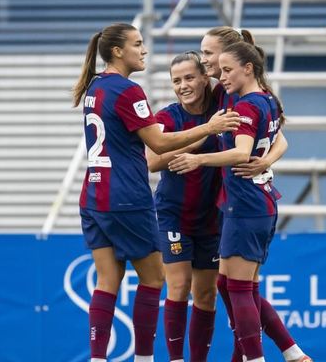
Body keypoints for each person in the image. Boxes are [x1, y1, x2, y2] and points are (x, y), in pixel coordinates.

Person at [72, 22, 241, 362]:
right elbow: (158, 144)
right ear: (118, 51)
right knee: (156, 278)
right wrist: (209, 128)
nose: (144, 49)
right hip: (127, 198)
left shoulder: (95, 86)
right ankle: (147, 358)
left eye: (190, 77)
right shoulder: (130, 91)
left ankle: (96, 358)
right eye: (137, 44)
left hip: (93, 196)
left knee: (107, 280)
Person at [168, 36, 310, 362]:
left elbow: (243, 151)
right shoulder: (264, 99)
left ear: (241, 64)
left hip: (246, 203)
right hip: (248, 201)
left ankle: (273, 356)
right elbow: (276, 139)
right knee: (227, 285)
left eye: (211, 55)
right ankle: (290, 353)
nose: (208, 62)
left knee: (239, 289)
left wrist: (198, 159)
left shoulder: (242, 102)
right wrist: (266, 159)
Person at [147, 51, 221, 362]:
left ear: (206, 78)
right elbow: (153, 162)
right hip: (173, 215)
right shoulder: (167, 117)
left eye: (189, 77)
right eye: (176, 81)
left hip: (212, 219)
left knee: (206, 295)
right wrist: (203, 135)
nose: (183, 85)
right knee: (178, 286)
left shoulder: (222, 109)